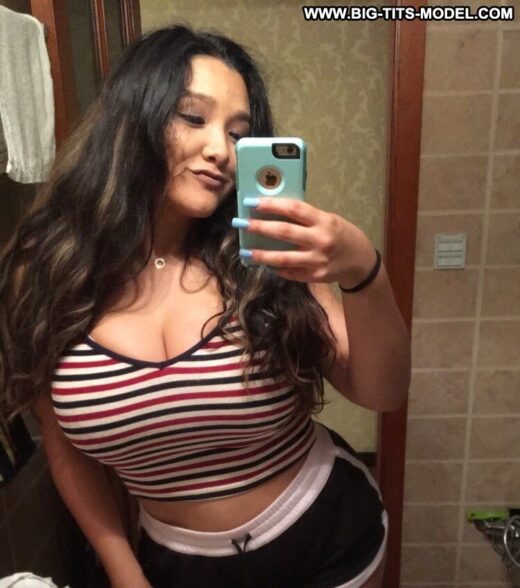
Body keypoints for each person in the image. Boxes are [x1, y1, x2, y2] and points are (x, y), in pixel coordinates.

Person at [0, 24, 411, 588]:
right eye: (193, 118)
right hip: (177, 565)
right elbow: (66, 451)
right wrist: (124, 570)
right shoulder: (49, 270)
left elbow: (382, 392)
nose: (222, 151)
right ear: (132, 119)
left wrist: (364, 272)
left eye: (239, 134)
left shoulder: (270, 255)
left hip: (329, 541)